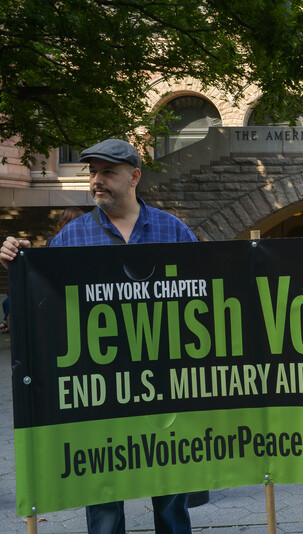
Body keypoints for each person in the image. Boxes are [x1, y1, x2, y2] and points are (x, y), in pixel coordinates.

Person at [0, 138, 195, 534]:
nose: (96, 181)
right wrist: (18, 266)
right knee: (103, 508)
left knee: (172, 503)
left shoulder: (172, 230)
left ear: (134, 176)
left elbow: (203, 298)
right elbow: (39, 308)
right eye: (93, 172)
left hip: (162, 390)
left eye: (108, 172)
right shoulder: (70, 238)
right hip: (98, 393)